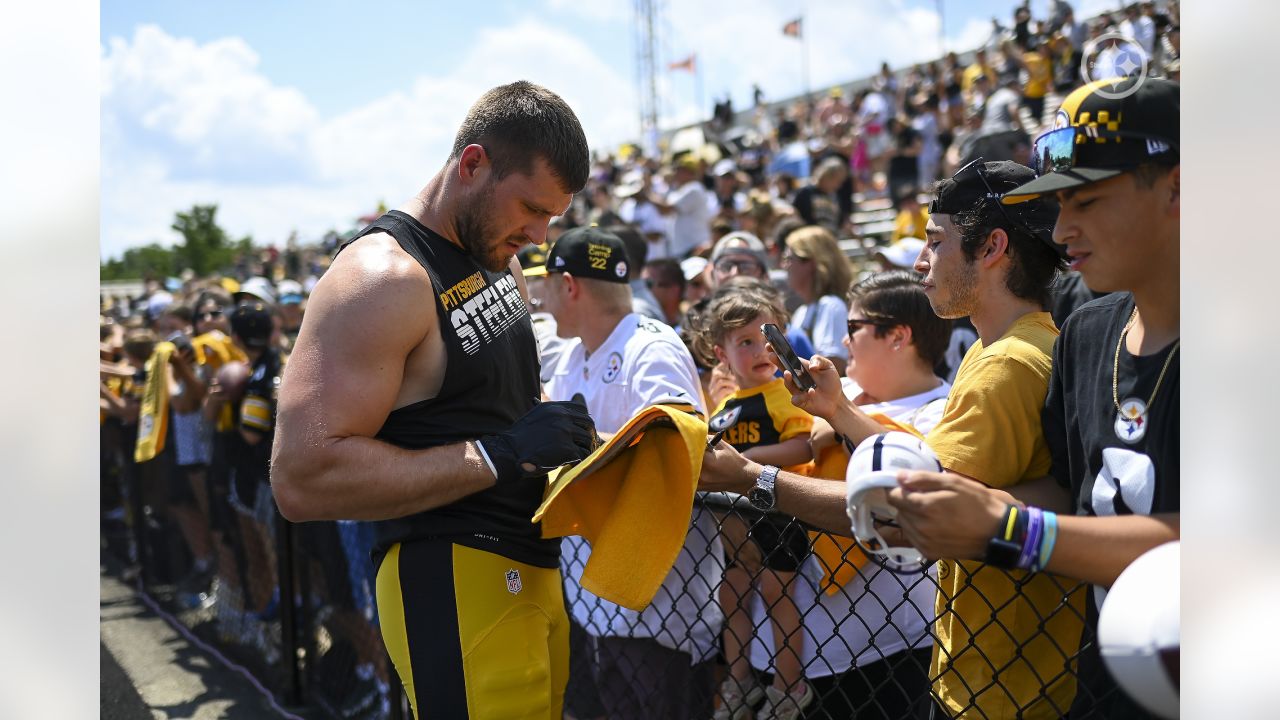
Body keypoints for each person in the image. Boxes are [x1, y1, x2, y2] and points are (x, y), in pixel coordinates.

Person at [700, 159, 1084, 719]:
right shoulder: (1003, 347)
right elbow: (930, 471)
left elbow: (910, 515)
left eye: (936, 241)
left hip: (1003, 687)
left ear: (992, 247)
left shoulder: (1007, 364)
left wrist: (752, 479)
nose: (922, 261)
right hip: (1000, 668)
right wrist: (841, 412)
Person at [271, 81, 599, 719]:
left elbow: (488, 403)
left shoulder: (495, 252)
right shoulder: (382, 278)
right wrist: (501, 452)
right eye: (530, 207)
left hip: (531, 562)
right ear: (472, 163)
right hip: (452, 571)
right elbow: (302, 477)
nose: (538, 234)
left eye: (551, 218)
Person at [890, 77, 1181, 719]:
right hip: (1102, 689)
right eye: (1057, 203)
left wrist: (1009, 528)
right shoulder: (1087, 333)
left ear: (1178, 186)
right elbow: (1071, 486)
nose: (1063, 226)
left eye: (1087, 199)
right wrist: (965, 502)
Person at [538, 227, 722, 720]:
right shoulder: (575, 355)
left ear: (570, 285)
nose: (542, 297)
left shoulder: (651, 345)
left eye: (547, 283)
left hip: (658, 610)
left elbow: (675, 446)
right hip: (595, 599)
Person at [692, 287, 815, 720]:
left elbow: (803, 448)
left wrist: (744, 464)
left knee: (774, 590)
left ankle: (788, 685)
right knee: (732, 592)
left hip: (780, 510)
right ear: (720, 352)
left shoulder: (786, 394)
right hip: (732, 521)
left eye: (767, 338)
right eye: (744, 342)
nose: (760, 350)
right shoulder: (724, 406)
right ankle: (740, 681)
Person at [782, 226, 853, 375]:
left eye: (789, 259)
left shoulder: (831, 306)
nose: (784, 266)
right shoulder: (802, 312)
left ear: (811, 262)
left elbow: (833, 371)